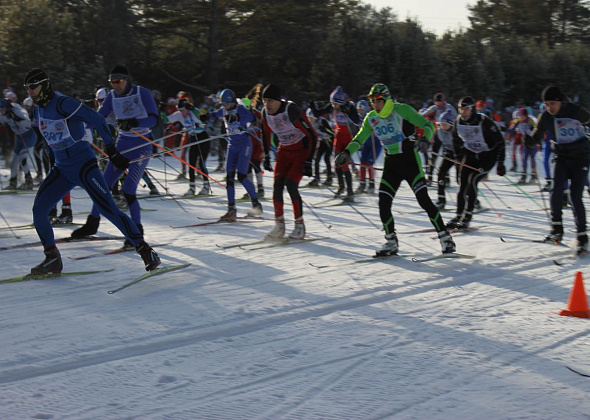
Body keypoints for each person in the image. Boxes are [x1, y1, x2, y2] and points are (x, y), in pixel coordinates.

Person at [24, 68, 160, 274]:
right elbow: (50, 138)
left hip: (83, 165)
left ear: (44, 84)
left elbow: (96, 119)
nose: (30, 92)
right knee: (39, 210)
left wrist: (111, 148)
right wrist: (52, 160)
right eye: (27, 89)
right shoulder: (38, 110)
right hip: (62, 169)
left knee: (108, 209)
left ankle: (145, 250)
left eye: (33, 87)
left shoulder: (63, 103)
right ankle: (52, 258)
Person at [335, 83, 456, 256]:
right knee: (383, 203)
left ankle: (446, 238)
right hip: (391, 165)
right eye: (371, 101)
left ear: (386, 99)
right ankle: (391, 241)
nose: (374, 104)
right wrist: (347, 152)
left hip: (409, 162)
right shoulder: (371, 117)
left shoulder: (402, 110)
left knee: (423, 200)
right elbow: (360, 137)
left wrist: (425, 140)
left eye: (377, 100)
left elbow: (429, 126)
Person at [71, 65, 159, 249]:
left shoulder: (142, 93)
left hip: (142, 146)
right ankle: (92, 223)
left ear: (127, 80)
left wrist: (135, 122)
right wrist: (82, 127)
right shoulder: (112, 96)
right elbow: (99, 116)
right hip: (123, 144)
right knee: (102, 185)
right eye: (112, 82)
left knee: (128, 190)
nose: (116, 85)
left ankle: (137, 232)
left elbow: (154, 119)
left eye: (119, 81)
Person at [529, 86, 590, 255]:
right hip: (561, 157)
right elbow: (536, 135)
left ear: (561, 101)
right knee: (555, 190)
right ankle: (557, 229)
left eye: (553, 103)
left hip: (580, 158)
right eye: (546, 104)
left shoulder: (576, 111)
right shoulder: (546, 116)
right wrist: (529, 140)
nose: (550, 108)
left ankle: (582, 236)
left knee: (574, 196)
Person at [261, 84, 317, 239]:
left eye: (270, 100)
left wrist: (309, 161)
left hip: (301, 151)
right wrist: (266, 155)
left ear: (279, 100)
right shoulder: (265, 113)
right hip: (284, 151)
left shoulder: (291, 111)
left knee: (291, 185)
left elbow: (312, 135)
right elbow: (265, 133)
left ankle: (300, 226)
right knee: (277, 186)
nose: (267, 105)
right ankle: (279, 225)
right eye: (264, 101)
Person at [447, 96, 506, 230]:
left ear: (472, 109)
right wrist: (458, 159)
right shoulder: (458, 121)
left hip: (487, 157)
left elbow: (500, 141)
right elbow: (456, 141)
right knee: (462, 184)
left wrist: (501, 162)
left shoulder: (483, 121)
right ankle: (458, 215)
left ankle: (467, 216)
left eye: (466, 109)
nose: (463, 112)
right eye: (460, 109)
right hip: (470, 155)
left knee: (473, 180)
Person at [212, 88, 262, 220]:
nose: (226, 107)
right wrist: (204, 117)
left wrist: (237, 117)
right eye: (224, 105)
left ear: (233, 102)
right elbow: (214, 114)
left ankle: (256, 204)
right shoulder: (223, 110)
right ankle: (231, 209)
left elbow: (251, 117)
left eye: (227, 104)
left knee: (241, 175)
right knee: (229, 177)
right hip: (232, 145)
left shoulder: (240, 108)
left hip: (244, 144)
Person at [310, 86, 359, 201]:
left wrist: (349, 112)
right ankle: (341, 187)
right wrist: (313, 108)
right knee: (337, 164)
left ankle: (350, 191)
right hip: (338, 136)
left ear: (341, 102)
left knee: (345, 164)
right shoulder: (333, 106)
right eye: (332, 104)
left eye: (335, 104)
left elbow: (357, 121)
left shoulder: (349, 106)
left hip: (348, 137)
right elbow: (318, 113)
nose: (333, 107)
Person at [163, 98, 211, 196]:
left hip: (203, 138)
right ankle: (192, 188)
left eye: (183, 110)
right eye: (180, 110)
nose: (182, 113)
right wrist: (161, 111)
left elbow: (201, 115)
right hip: (193, 139)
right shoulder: (178, 115)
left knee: (202, 164)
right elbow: (166, 119)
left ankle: (206, 187)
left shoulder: (193, 112)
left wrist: (193, 109)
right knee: (191, 164)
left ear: (188, 108)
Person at [420, 93, 457, 187]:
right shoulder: (435, 107)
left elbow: (457, 117)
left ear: (443, 101)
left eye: (439, 102)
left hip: (448, 132)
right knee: (433, 155)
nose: (438, 104)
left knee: (447, 155)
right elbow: (424, 114)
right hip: (439, 132)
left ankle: (446, 178)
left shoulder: (448, 107)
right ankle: (430, 176)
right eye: (436, 102)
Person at [0, 98, 37, 190]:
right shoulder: (4, 115)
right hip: (20, 138)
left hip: (29, 136)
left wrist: (18, 119)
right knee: (14, 161)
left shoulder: (16, 110)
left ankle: (29, 182)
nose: (2, 111)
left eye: (3, 108)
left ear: (8, 108)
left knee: (23, 159)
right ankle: (13, 182)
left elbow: (27, 119)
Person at [432, 110, 458, 210]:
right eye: (441, 124)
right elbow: (437, 145)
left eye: (444, 124)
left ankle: (473, 201)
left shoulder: (456, 131)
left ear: (450, 123)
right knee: (441, 174)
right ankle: (441, 200)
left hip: (459, 155)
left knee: (461, 179)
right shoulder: (440, 131)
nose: (442, 126)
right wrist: (433, 158)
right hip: (448, 153)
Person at [355, 99, 381, 193]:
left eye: (361, 109)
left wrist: (374, 128)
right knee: (362, 163)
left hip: (375, 143)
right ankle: (362, 184)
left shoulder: (370, 116)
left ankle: (371, 184)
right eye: (358, 109)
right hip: (366, 143)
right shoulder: (358, 118)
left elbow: (378, 124)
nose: (360, 111)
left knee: (369, 164)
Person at [505, 108, 538, 184]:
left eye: (524, 116)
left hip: (532, 143)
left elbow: (537, 131)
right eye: (521, 116)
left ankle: (533, 176)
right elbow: (511, 130)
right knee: (524, 159)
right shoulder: (518, 121)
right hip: (525, 143)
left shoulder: (531, 121)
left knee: (532, 158)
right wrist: (504, 129)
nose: (523, 118)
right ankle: (524, 176)